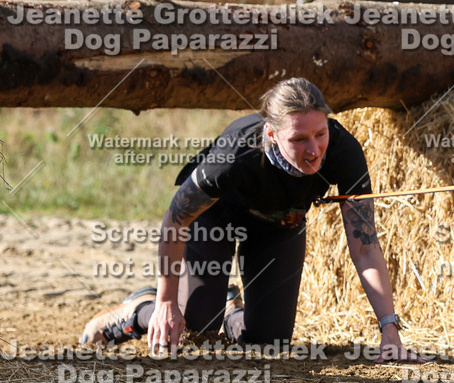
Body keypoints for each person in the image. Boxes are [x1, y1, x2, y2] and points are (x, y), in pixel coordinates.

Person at [81, 77, 421, 362]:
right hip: (216, 218)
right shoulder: (234, 156)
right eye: (298, 139)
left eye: (320, 134)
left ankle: (232, 309)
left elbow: (365, 247)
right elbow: (175, 221)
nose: (314, 149)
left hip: (277, 225)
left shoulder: (344, 152)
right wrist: (166, 302)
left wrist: (389, 328)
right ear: (271, 134)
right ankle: (138, 309)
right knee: (193, 329)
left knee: (268, 344)